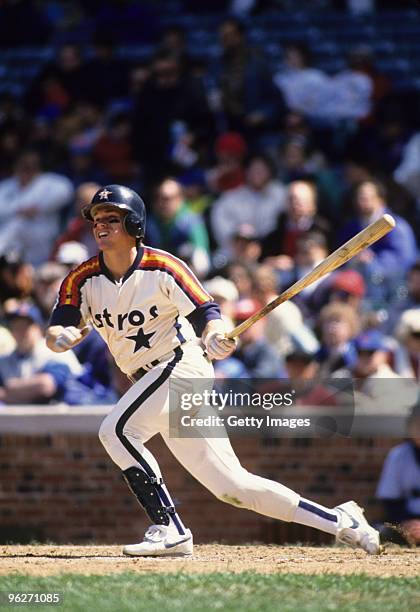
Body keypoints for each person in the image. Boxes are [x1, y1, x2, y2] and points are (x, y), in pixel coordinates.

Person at [46, 184, 380, 557]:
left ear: (134, 223)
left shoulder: (164, 267)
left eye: (111, 218)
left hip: (182, 366)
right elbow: (62, 321)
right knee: (234, 487)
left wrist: (218, 335)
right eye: (96, 220)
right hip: (151, 384)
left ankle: (169, 528)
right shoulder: (82, 278)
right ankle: (342, 522)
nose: (100, 226)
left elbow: (207, 313)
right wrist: (60, 336)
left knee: (117, 431)